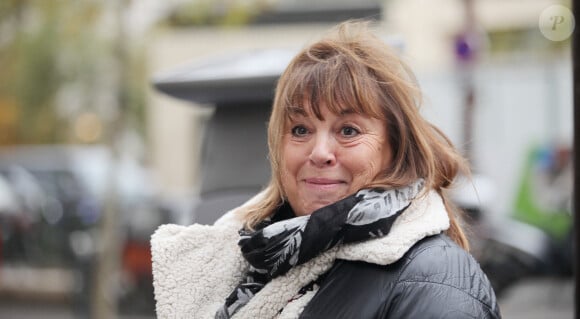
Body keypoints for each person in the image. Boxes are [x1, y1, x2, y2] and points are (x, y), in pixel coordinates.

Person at [151, 20, 501, 319]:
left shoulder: (433, 282)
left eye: (348, 131)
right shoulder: (252, 256)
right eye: (300, 130)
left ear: (395, 148)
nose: (319, 153)